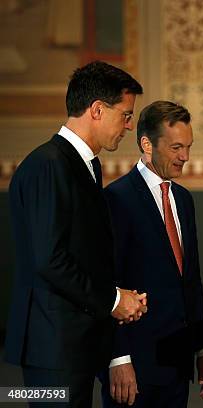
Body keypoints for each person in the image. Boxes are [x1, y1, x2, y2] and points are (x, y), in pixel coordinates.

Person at [5, 61, 147, 407]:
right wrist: (114, 301)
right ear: (97, 110)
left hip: (73, 348)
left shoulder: (83, 164)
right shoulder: (48, 165)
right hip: (52, 352)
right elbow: (49, 259)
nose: (129, 125)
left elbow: (88, 256)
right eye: (126, 115)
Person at [101, 101, 203, 407]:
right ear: (146, 144)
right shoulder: (116, 199)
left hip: (177, 365)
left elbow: (191, 280)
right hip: (134, 368)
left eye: (189, 147)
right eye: (177, 147)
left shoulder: (183, 199)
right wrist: (117, 358)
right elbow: (105, 284)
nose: (185, 157)